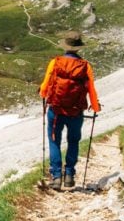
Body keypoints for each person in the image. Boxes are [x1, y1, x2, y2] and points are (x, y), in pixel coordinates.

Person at [39, 30, 100, 190]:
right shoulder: (85, 66)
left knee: (54, 141)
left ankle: (56, 176)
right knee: (73, 141)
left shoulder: (55, 62)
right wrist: (95, 106)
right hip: (76, 111)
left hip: (56, 109)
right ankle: (69, 176)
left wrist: (43, 93)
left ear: (65, 46)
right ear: (79, 48)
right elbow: (91, 88)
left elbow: (46, 85)